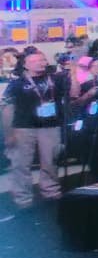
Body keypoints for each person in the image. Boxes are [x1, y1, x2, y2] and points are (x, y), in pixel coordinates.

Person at [5, 51, 68, 208]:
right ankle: (23, 199)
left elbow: (73, 93)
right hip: (24, 127)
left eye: (42, 59)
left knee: (51, 161)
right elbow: (7, 108)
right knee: (21, 164)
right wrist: (9, 132)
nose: (41, 63)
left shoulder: (55, 79)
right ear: (26, 65)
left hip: (50, 125)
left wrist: (72, 69)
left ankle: (51, 192)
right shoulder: (17, 84)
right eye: (35, 61)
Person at [67, 57, 98, 183]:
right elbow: (74, 104)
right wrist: (88, 95)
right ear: (90, 69)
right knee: (96, 157)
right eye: (96, 66)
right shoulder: (86, 84)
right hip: (91, 123)